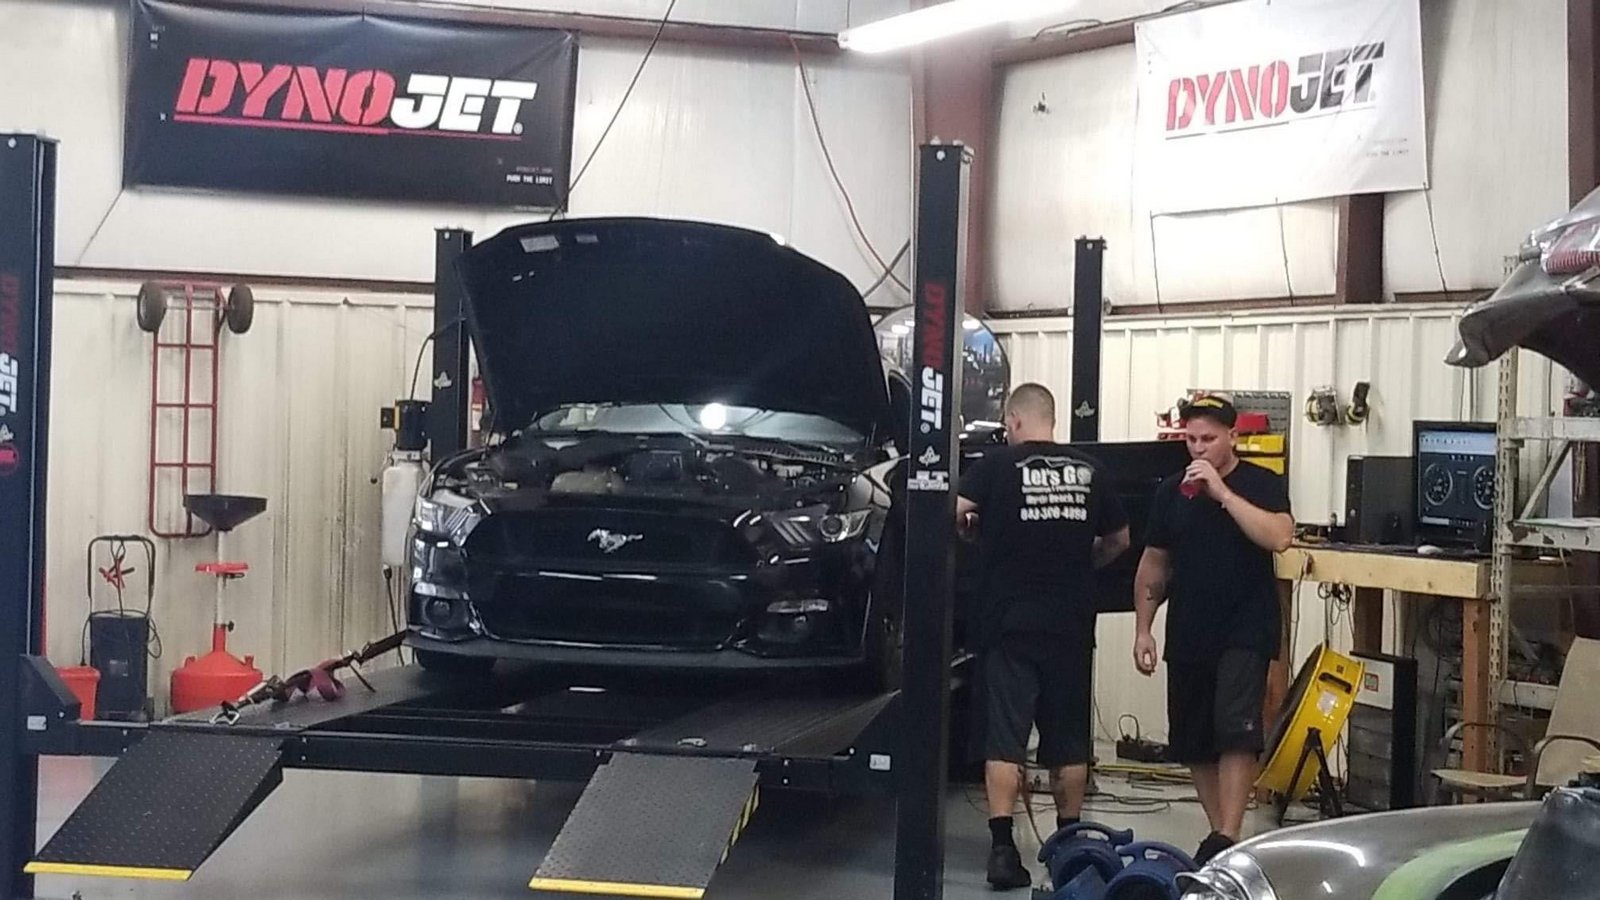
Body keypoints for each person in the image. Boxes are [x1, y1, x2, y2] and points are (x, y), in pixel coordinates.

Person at [956, 383, 1131, 890]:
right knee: (1069, 742)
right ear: (1051, 419)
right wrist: (1083, 561)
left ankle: (1003, 850)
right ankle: (1069, 847)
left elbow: (953, 512)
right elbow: (1120, 540)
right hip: (1070, 624)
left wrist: (975, 533)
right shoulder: (1091, 471)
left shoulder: (995, 466)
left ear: (1013, 420)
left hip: (1009, 624)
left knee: (1005, 741)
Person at [1131, 394, 1293, 865]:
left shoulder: (1262, 483)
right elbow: (1154, 562)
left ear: (1232, 437)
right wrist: (1143, 628)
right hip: (1190, 626)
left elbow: (1280, 536)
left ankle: (1228, 831)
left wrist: (1222, 493)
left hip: (1245, 624)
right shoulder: (1171, 493)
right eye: (1191, 439)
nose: (1199, 448)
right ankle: (1222, 835)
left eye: (1208, 439)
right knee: (1194, 737)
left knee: (1236, 728)